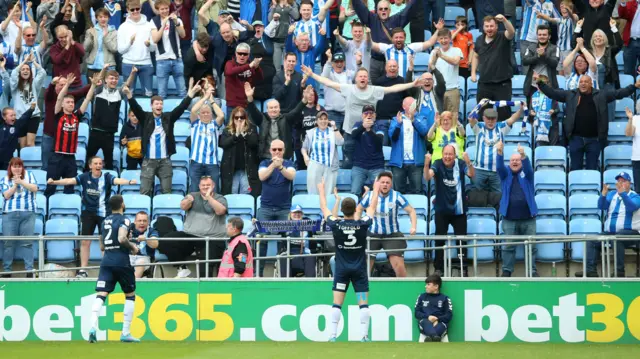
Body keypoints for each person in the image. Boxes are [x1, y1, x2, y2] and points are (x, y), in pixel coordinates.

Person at [301, 65, 425, 170]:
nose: (363, 78)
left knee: (368, 164)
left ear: (368, 79)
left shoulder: (374, 90)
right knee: (348, 163)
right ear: (356, 78)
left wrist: (412, 84)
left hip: (369, 133)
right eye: (360, 76)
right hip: (351, 133)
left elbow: (393, 88)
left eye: (365, 76)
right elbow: (328, 83)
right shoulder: (348, 89)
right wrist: (312, 74)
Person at [47, 156, 136, 277]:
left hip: (104, 214)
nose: (98, 166)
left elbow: (117, 180)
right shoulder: (84, 177)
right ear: (90, 166)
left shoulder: (107, 176)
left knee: (106, 242)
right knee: (85, 241)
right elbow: (69, 181)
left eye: (100, 163)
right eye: (96, 163)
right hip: (88, 213)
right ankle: (83, 270)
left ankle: (108, 268)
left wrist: (128, 182)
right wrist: (55, 182)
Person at [534, 72, 640, 171]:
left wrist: (634, 86)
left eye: (586, 82)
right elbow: (552, 93)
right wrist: (540, 82)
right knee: (575, 168)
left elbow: (619, 93)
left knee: (592, 169)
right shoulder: (570, 94)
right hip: (575, 139)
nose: (583, 84)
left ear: (591, 84)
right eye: (581, 82)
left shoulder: (601, 95)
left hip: (594, 140)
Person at [318, 176, 376, 342]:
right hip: (359, 269)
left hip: (342, 269)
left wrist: (322, 190)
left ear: (342, 210)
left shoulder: (336, 224)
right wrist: (376, 190)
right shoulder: (363, 224)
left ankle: (333, 335)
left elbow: (323, 207)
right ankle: (365, 336)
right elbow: (372, 208)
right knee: (363, 304)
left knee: (337, 304)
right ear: (354, 210)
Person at [122, 81, 198, 196]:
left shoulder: (168, 117)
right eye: (156, 104)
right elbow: (135, 107)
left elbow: (181, 108)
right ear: (151, 106)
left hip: (165, 161)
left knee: (167, 191)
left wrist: (190, 94)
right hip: (148, 161)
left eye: (161, 104)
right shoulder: (145, 118)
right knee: (145, 192)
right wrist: (129, 95)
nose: (159, 106)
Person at [147, 176, 229, 277]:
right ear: (199, 186)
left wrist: (208, 197)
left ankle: (205, 289)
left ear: (213, 186)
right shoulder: (193, 195)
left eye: (208, 185)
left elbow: (220, 211)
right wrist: (189, 200)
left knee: (205, 267)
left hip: (212, 238)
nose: (205, 187)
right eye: (203, 185)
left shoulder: (220, 198)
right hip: (190, 235)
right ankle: (182, 267)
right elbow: (183, 206)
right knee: (165, 241)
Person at [88, 195, 141, 343]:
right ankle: (125, 333)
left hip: (107, 261)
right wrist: (133, 247)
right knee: (130, 294)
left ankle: (92, 328)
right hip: (122, 261)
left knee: (101, 294)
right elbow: (122, 238)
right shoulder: (125, 220)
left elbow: (102, 245)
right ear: (122, 204)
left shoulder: (105, 221)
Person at [576, 172, 640, 278]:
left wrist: (623, 194)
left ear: (630, 183)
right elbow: (602, 206)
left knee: (617, 238)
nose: (620, 183)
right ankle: (590, 271)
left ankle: (619, 271)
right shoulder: (612, 195)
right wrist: (603, 195)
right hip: (611, 232)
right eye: (619, 181)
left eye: (623, 181)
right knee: (591, 240)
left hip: (632, 233)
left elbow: (632, 207)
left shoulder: (635, 196)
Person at [423, 145, 475, 275]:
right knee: (439, 240)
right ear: (442, 154)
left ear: (454, 155)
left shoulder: (461, 163)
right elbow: (427, 177)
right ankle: (438, 268)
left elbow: (471, 174)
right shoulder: (437, 163)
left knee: (461, 240)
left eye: (450, 154)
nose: (447, 156)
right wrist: (426, 164)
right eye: (445, 154)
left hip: (459, 210)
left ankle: (463, 268)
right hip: (442, 210)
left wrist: (469, 162)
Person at [356, 171, 418, 277]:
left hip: (392, 235)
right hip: (373, 234)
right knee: (364, 267)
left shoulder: (397, 196)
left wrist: (413, 227)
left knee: (399, 267)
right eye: (382, 182)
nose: (385, 184)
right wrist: (358, 224)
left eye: (387, 182)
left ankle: (404, 290)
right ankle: (362, 291)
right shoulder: (370, 195)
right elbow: (359, 209)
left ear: (391, 184)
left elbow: (411, 211)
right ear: (378, 183)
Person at [44, 73, 92, 197]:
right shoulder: (57, 114)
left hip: (71, 158)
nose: (71, 104)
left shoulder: (77, 116)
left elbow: (87, 100)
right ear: (63, 104)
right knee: (51, 186)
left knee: (69, 188)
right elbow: (60, 97)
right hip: (57, 156)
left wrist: (93, 86)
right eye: (68, 102)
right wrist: (68, 85)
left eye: (72, 102)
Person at [495, 142, 538, 277]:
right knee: (508, 247)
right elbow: (499, 167)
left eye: (517, 160)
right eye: (512, 160)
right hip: (509, 218)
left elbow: (529, 167)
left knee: (531, 247)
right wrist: (500, 153)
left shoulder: (528, 174)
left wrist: (523, 155)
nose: (515, 162)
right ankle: (507, 271)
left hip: (528, 218)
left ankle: (532, 272)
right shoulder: (505, 174)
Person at [256, 139, 297, 276]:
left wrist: (280, 167)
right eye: (274, 149)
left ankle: (283, 272)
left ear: (284, 151)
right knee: (261, 240)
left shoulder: (289, 163)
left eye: (280, 149)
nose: (277, 152)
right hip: (266, 208)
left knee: (285, 240)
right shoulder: (264, 163)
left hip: (284, 209)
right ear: (270, 150)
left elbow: (291, 176)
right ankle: (258, 274)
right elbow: (261, 177)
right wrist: (274, 165)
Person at [85, 67, 136, 171]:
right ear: (106, 80)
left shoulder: (119, 93)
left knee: (109, 162)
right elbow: (98, 80)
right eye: (111, 78)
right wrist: (104, 69)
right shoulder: (100, 90)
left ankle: (109, 186)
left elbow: (127, 85)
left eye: (116, 79)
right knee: (89, 160)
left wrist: (132, 73)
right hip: (96, 132)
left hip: (109, 134)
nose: (114, 81)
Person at [352, 0, 416, 81]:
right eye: (381, 9)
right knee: (374, 88)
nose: (383, 11)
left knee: (391, 88)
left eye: (386, 9)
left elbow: (409, 9)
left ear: (389, 10)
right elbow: (359, 7)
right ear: (377, 11)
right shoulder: (371, 19)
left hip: (390, 62)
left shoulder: (396, 20)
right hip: (375, 62)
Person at [469, 105, 523, 194]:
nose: (490, 121)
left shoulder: (501, 127)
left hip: (496, 171)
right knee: (476, 196)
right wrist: (480, 105)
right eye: (488, 118)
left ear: (496, 119)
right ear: (483, 118)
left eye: (493, 119)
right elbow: (471, 118)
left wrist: (521, 109)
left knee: (499, 197)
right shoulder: (479, 127)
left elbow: (513, 118)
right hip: (479, 170)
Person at [245, 82, 305, 161]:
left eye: (276, 107)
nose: (274, 109)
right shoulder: (262, 118)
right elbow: (253, 111)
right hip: (265, 157)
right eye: (271, 108)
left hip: (283, 157)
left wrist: (305, 100)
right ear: (267, 109)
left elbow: (296, 111)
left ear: (279, 109)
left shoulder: (286, 118)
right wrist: (249, 98)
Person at [471, 15, 515, 122]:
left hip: (502, 84)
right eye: (487, 26)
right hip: (484, 84)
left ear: (496, 27)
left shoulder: (502, 36)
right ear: (483, 27)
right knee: (483, 114)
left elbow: (512, 32)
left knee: (504, 114)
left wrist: (504, 20)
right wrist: (473, 72)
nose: (489, 29)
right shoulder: (479, 40)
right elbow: (475, 56)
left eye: (491, 26)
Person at [1, 157, 38, 278]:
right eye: (14, 166)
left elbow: (34, 188)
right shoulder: (5, 179)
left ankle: (29, 271)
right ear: (10, 167)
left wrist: (21, 182)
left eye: (19, 166)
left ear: (22, 167)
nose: (17, 168)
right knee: (8, 243)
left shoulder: (30, 175)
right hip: (10, 214)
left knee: (27, 243)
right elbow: (6, 195)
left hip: (28, 213)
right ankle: (7, 271)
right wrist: (14, 185)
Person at [1, 53, 46, 148]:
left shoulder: (34, 83)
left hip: (34, 116)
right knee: (23, 145)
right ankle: (23, 163)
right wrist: (25, 61)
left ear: (30, 72)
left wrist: (33, 61)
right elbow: (13, 73)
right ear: (20, 72)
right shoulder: (15, 86)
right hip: (20, 117)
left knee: (30, 143)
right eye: (23, 69)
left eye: (27, 69)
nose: (25, 71)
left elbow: (42, 73)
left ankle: (32, 162)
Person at [389, 97, 429, 194]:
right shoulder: (396, 119)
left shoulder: (421, 118)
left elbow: (424, 132)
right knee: (398, 193)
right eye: (410, 104)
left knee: (417, 191)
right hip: (399, 163)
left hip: (416, 163)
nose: (413, 106)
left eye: (414, 104)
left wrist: (413, 120)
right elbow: (392, 137)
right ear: (404, 107)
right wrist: (398, 124)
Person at [188, 86, 225, 191]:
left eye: (207, 112)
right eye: (203, 112)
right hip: (196, 161)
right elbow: (194, 110)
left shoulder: (214, 124)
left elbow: (221, 116)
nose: (205, 114)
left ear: (211, 114)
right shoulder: (195, 123)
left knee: (214, 189)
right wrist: (205, 98)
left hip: (212, 162)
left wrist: (212, 101)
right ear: (199, 115)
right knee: (194, 189)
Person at [219, 106, 262, 197]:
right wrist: (236, 135)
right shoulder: (227, 130)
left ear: (245, 118)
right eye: (236, 117)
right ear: (233, 118)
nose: (239, 120)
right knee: (231, 193)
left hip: (247, 169)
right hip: (231, 169)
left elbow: (254, 143)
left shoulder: (251, 129)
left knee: (247, 194)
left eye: (242, 117)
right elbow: (223, 144)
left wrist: (243, 133)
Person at [117, 0, 156, 97]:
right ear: (127, 10)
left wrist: (149, 44)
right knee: (128, 95)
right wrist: (130, 43)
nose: (135, 11)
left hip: (146, 63)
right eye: (132, 9)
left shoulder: (149, 25)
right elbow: (120, 50)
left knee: (148, 95)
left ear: (140, 9)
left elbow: (153, 49)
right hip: (128, 63)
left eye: (137, 9)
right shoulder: (123, 27)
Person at [302, 110, 344, 196]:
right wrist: (306, 157)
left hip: (330, 165)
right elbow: (304, 148)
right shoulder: (310, 132)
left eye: (325, 119)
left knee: (328, 192)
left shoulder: (333, 131)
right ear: (317, 121)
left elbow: (341, 142)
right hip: (315, 164)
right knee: (313, 190)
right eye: (321, 119)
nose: (323, 121)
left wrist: (335, 127)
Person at [371, 27, 438, 80]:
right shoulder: (387, 48)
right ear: (392, 39)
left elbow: (430, 43)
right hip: (392, 85)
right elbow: (370, 44)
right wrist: (366, 34)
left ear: (405, 38)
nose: (398, 39)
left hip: (408, 85)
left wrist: (438, 29)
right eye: (396, 37)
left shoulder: (411, 48)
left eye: (401, 37)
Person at [151, 0, 187, 98]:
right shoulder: (154, 21)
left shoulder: (177, 19)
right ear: (158, 10)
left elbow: (183, 35)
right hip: (162, 60)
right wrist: (163, 25)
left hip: (177, 58)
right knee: (161, 94)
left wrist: (176, 22)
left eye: (166, 8)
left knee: (182, 92)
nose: (165, 11)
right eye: (162, 9)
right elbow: (155, 39)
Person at [374, 58, 414, 145]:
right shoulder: (378, 82)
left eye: (394, 66)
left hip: (397, 120)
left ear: (398, 68)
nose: (392, 68)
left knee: (396, 146)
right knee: (382, 147)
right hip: (382, 120)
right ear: (386, 68)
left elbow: (408, 99)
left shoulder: (403, 81)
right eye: (390, 66)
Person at [350, 105, 385, 197]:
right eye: (366, 113)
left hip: (377, 165)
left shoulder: (379, 125)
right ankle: (355, 211)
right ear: (362, 116)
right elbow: (353, 136)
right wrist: (363, 127)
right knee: (354, 192)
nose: (369, 115)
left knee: (381, 192)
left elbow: (379, 142)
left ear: (375, 115)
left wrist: (369, 130)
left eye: (371, 113)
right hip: (359, 165)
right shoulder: (357, 124)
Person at [536, 0, 577, 76]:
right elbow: (550, 19)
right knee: (560, 71)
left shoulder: (572, 19)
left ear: (570, 9)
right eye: (561, 8)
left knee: (568, 72)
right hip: (559, 50)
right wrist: (541, 15)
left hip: (568, 50)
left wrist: (567, 9)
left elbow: (573, 16)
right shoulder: (560, 19)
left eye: (565, 8)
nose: (563, 10)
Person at [518, 0, 559, 76]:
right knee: (527, 69)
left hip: (542, 42)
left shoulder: (550, 4)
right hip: (527, 40)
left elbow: (559, 20)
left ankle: (542, 87)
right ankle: (527, 87)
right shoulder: (531, 2)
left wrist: (548, 19)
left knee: (540, 68)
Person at [429, 28, 463, 119]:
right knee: (438, 117)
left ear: (450, 38)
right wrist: (435, 57)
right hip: (437, 89)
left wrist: (441, 56)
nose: (443, 41)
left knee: (453, 118)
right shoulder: (434, 51)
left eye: (446, 38)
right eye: (441, 38)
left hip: (452, 90)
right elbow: (430, 68)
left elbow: (455, 62)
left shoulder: (457, 50)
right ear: (438, 40)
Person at [277, 205, 318, 277]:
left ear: (302, 214)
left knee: (311, 257)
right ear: (290, 214)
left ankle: (311, 284)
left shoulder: (309, 224)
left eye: (299, 212)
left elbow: (316, 233)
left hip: (305, 252)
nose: (297, 214)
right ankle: (285, 284)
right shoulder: (283, 225)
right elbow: (270, 229)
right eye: (294, 212)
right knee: (283, 257)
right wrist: (256, 223)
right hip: (288, 251)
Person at [224, 42, 264, 116]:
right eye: (240, 53)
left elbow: (260, 78)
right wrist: (249, 66)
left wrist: (257, 67)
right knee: (231, 127)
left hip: (246, 104)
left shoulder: (250, 65)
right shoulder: (230, 63)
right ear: (236, 54)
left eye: (245, 54)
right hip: (232, 104)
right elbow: (230, 72)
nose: (242, 56)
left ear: (248, 55)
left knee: (246, 127)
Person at [522, 24, 559, 101]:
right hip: (533, 86)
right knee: (531, 112)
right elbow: (524, 61)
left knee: (548, 111)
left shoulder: (555, 48)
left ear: (549, 36)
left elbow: (554, 63)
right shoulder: (531, 47)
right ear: (537, 36)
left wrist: (544, 55)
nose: (542, 36)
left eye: (544, 35)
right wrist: (537, 56)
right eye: (540, 34)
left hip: (549, 85)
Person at [414, 274, 452, 342]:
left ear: (436, 286)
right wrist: (428, 317)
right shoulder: (421, 297)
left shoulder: (445, 298)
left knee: (442, 324)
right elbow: (417, 313)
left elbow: (449, 315)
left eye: (428, 284)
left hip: (440, 323)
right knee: (424, 322)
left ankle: (431, 338)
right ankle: (434, 337)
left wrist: (437, 319)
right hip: (425, 322)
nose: (425, 286)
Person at [321, 49, 353, 131]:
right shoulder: (329, 75)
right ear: (332, 64)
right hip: (332, 113)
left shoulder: (349, 74)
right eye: (336, 62)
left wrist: (359, 63)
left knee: (347, 141)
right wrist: (328, 60)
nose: (339, 64)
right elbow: (324, 76)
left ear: (344, 63)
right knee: (334, 140)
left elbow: (359, 74)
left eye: (341, 61)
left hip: (347, 114)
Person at [295, 86, 325, 170]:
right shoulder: (300, 108)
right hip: (302, 142)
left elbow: (325, 124)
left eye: (312, 95)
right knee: (302, 168)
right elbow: (296, 126)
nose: (310, 96)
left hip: (317, 143)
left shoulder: (320, 109)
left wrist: (319, 112)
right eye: (308, 94)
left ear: (315, 96)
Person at [83, 8, 118, 82]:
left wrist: (105, 36)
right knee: (91, 91)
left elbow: (114, 49)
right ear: (96, 18)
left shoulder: (114, 32)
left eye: (105, 17)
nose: (103, 19)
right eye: (100, 17)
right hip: (93, 67)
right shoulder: (90, 31)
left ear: (108, 18)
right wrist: (90, 37)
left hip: (108, 66)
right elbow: (85, 48)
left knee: (107, 91)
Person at [267, 0, 300, 71]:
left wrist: (288, 6)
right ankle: (279, 80)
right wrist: (274, 6)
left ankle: (288, 80)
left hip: (287, 39)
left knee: (288, 66)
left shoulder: (292, 2)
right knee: (277, 66)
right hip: (276, 39)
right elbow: (269, 19)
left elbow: (296, 16)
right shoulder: (274, 2)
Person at [0, 104, 36, 170]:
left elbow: (24, 118)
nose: (13, 117)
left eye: (14, 115)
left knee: (7, 174)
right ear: (4, 117)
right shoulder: (1, 124)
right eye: (11, 115)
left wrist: (31, 110)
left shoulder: (16, 125)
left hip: (8, 158)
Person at [527, 74, 559, 147]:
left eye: (544, 83)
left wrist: (553, 111)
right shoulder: (534, 95)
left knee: (553, 148)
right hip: (538, 124)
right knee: (540, 148)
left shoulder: (552, 94)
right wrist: (531, 112)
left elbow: (557, 109)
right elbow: (530, 110)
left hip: (551, 125)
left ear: (547, 84)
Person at [128, 211, 158, 278]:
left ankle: (132, 286)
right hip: (128, 256)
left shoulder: (151, 230)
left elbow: (155, 244)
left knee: (140, 263)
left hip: (144, 257)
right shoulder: (128, 228)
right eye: (139, 221)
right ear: (135, 221)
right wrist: (125, 237)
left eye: (144, 221)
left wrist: (146, 239)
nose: (142, 223)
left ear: (148, 223)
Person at [619, 0, 640, 76]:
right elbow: (623, 15)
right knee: (628, 71)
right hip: (631, 42)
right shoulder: (631, 3)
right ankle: (630, 87)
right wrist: (623, 3)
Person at [626, 105, 640, 193]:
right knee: (638, 190)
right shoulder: (635, 119)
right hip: (638, 158)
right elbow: (628, 133)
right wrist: (630, 119)